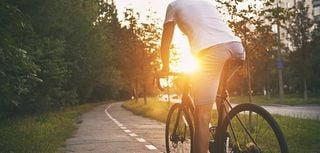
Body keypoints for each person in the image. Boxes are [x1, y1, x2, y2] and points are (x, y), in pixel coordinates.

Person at [159, 0, 245, 152]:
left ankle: (219, 144)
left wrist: (165, 68)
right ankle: (223, 142)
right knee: (220, 94)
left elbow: (166, 43)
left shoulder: (173, 6)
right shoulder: (204, 2)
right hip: (236, 47)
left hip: (211, 52)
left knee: (202, 117)